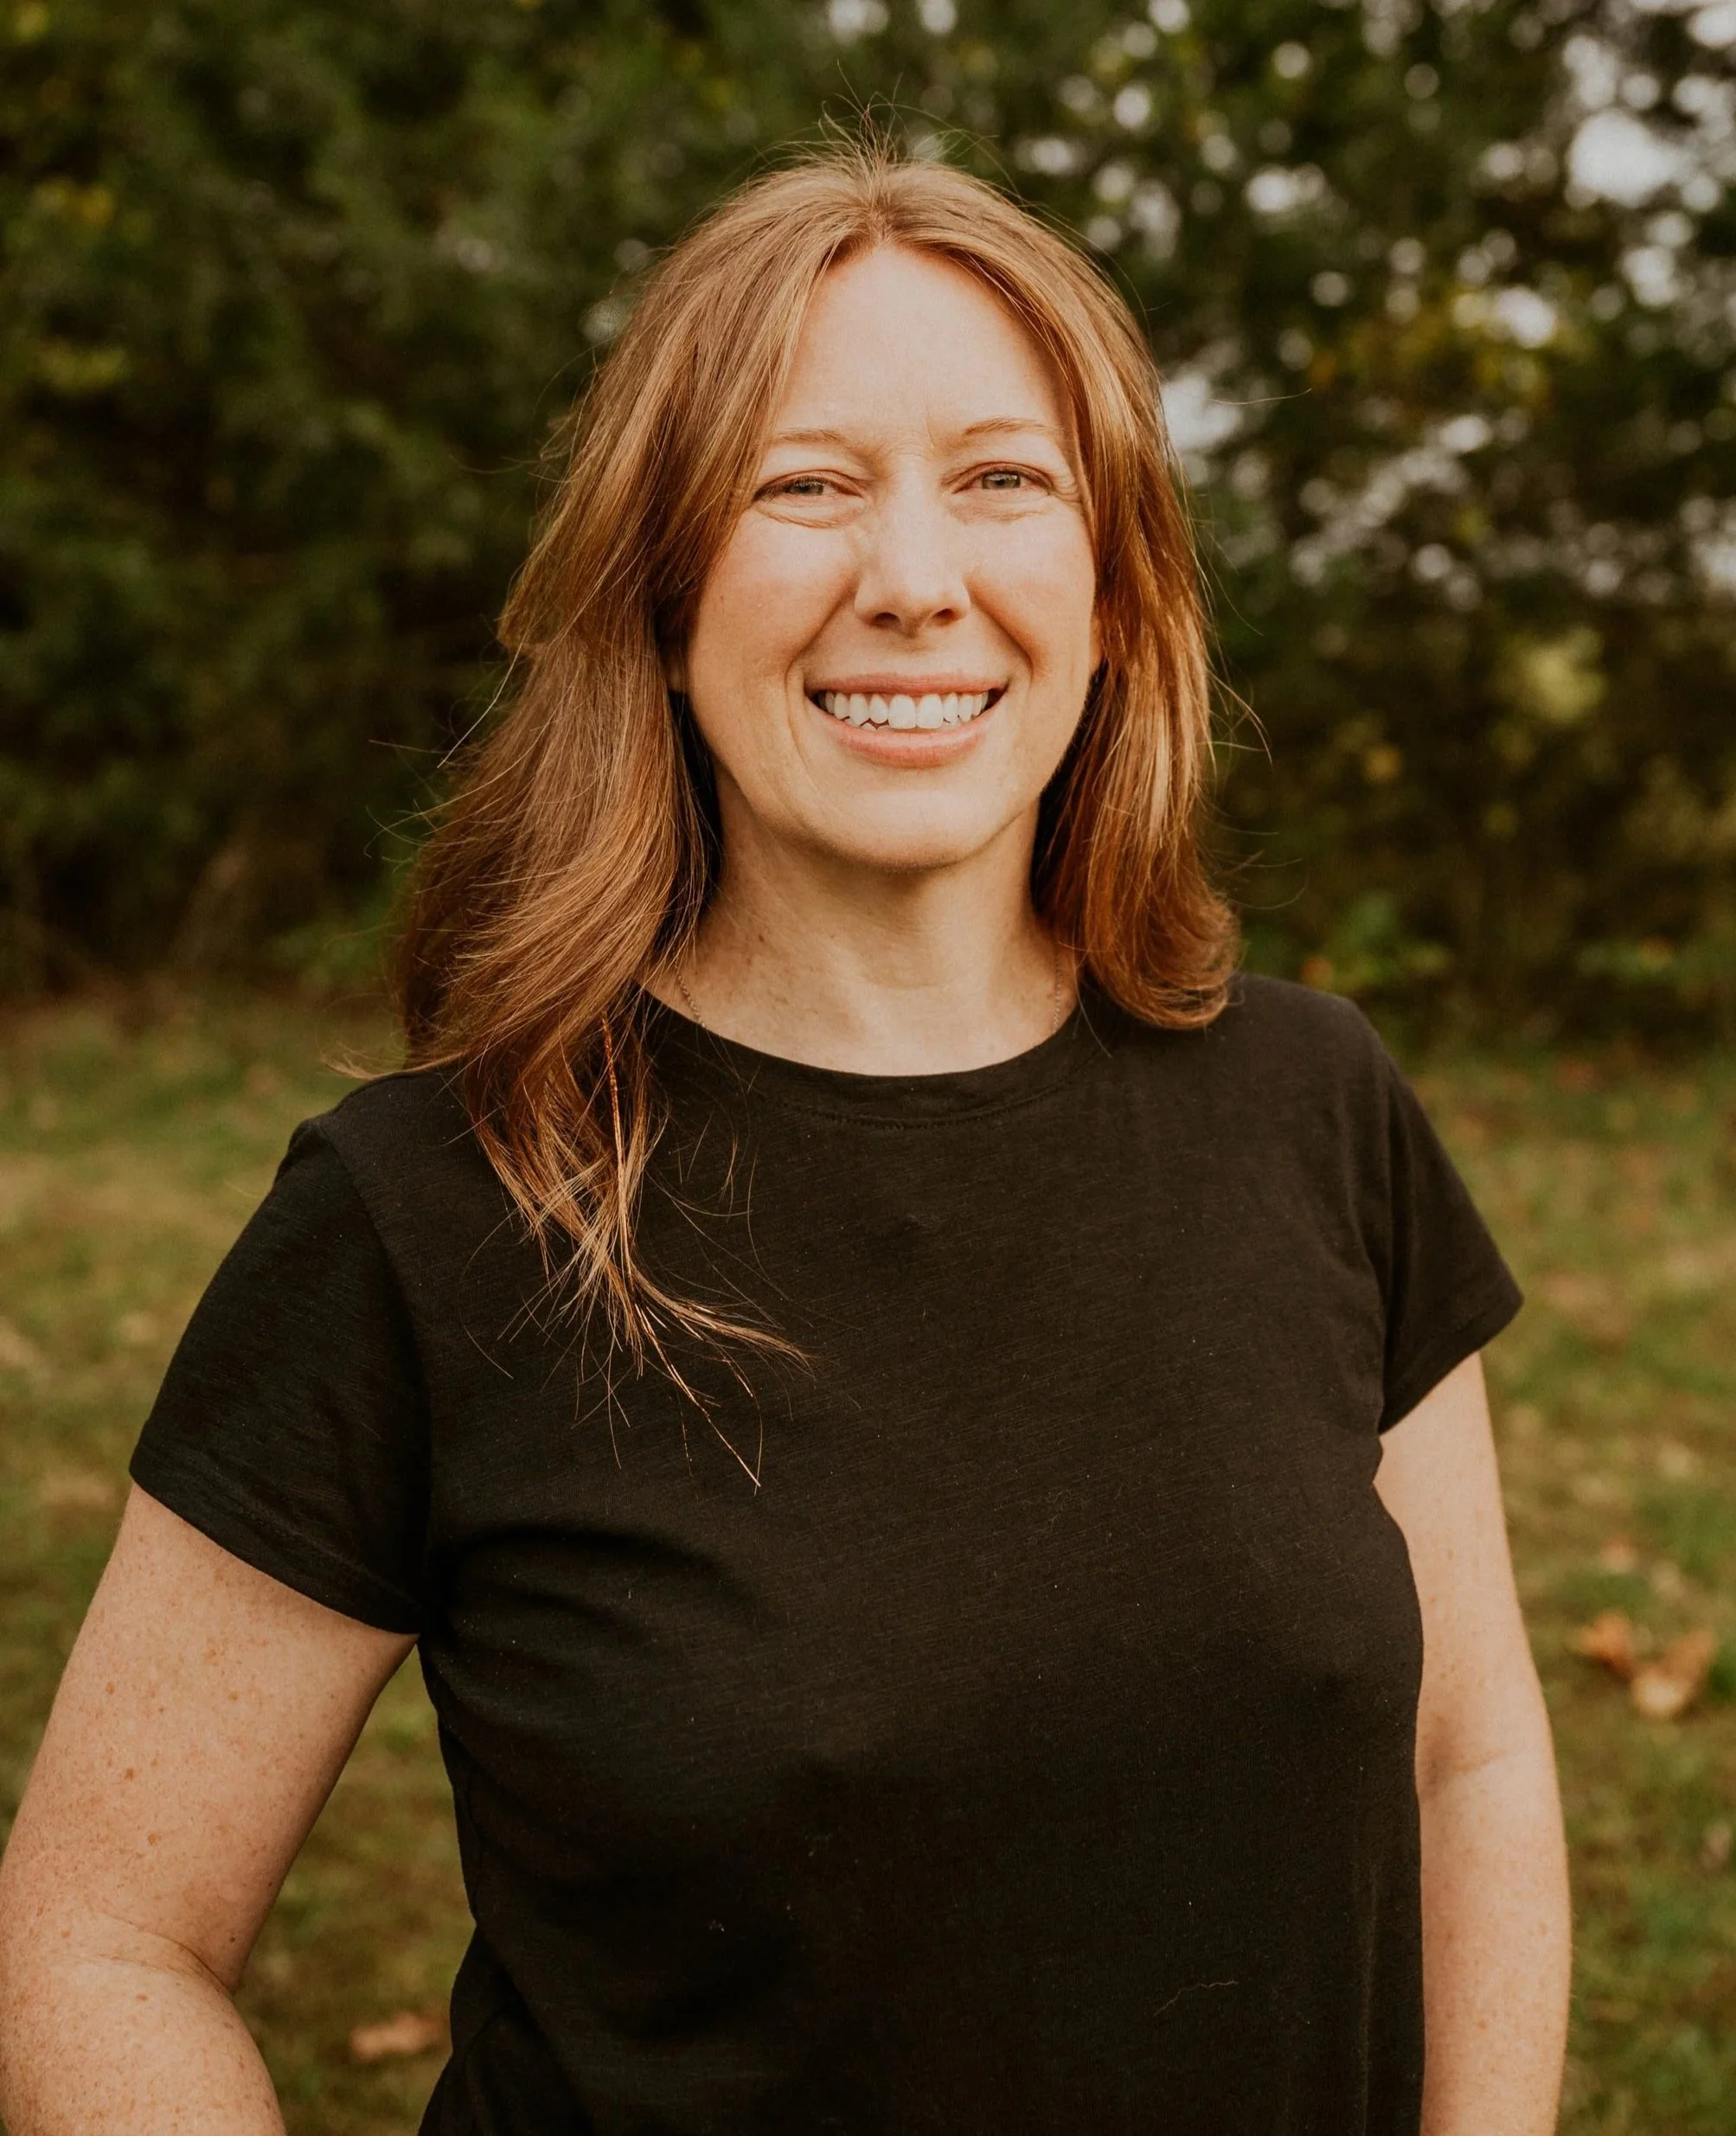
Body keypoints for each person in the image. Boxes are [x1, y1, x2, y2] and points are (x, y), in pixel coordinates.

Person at [0, 144, 1570, 2134]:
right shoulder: (425, 1216)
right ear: (662, 599)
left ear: (1111, 587)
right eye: (802, 484)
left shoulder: (1315, 1106)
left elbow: (1470, 1757)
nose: (913, 577)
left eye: (1004, 478)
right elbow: (100, 1929)